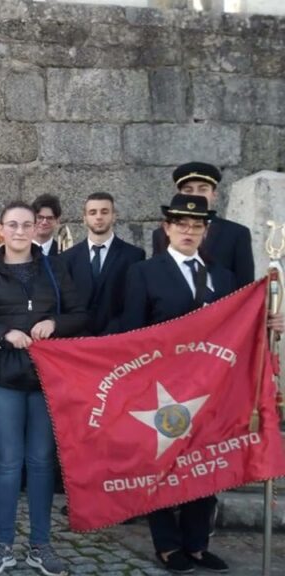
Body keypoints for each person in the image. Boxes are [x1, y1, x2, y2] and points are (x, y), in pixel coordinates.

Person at [120, 193, 285, 574]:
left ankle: (196, 543)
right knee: (162, 465)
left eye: (196, 226)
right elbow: (131, 333)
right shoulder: (144, 273)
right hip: (163, 389)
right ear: (167, 229)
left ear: (205, 232)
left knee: (206, 464)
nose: (189, 231)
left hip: (212, 389)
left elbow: (240, 328)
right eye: (181, 224)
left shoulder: (223, 277)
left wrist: (268, 322)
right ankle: (167, 544)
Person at [0, 200, 86, 575]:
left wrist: (55, 324)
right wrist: (2, 333)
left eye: (26, 224)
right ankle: (2, 544)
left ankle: (40, 545)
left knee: (42, 462)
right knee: (9, 461)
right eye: (11, 224)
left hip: (46, 378)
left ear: (36, 228)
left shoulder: (54, 267)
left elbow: (82, 315)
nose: (19, 231)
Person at [151, 162, 254, 285]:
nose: (195, 196)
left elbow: (245, 284)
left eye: (202, 189)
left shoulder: (236, 233)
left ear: (214, 195)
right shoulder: (161, 234)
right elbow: (156, 277)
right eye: (188, 190)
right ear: (179, 195)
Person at [59, 192, 145, 336]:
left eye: (104, 212)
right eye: (93, 212)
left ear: (114, 216)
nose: (99, 217)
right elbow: (66, 305)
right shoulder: (67, 258)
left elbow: (134, 305)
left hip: (118, 339)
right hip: (78, 340)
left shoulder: (133, 256)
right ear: (84, 219)